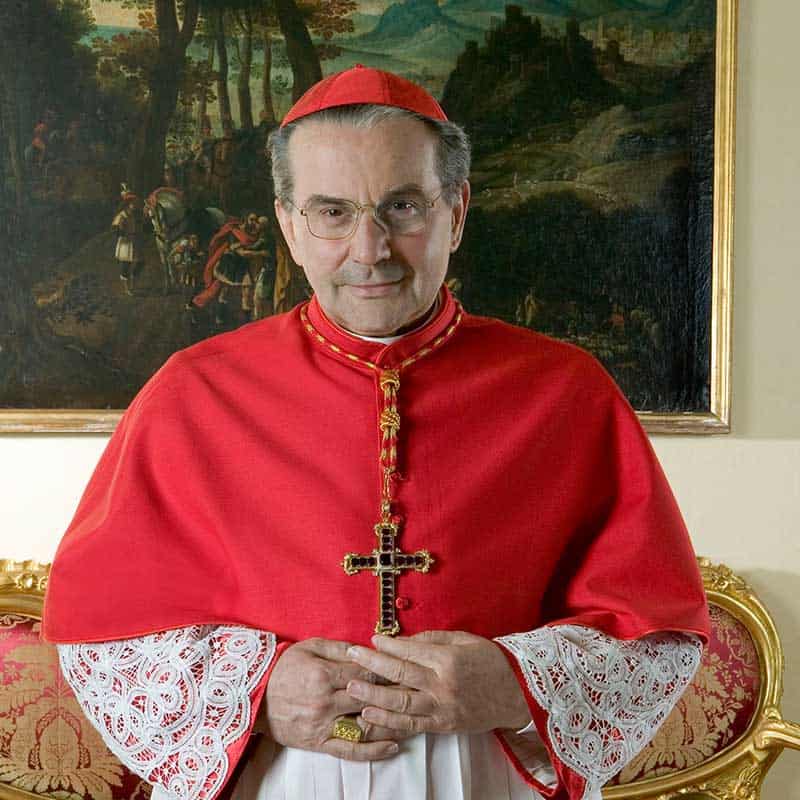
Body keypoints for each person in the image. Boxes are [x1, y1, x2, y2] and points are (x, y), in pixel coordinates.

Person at [41, 65, 710, 800]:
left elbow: (656, 630)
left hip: (488, 774)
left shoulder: (566, 390)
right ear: (289, 225)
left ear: (457, 211)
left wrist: (514, 682)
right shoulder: (193, 392)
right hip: (274, 775)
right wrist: (258, 691)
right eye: (332, 212)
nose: (370, 249)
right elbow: (104, 633)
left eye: (402, 207)